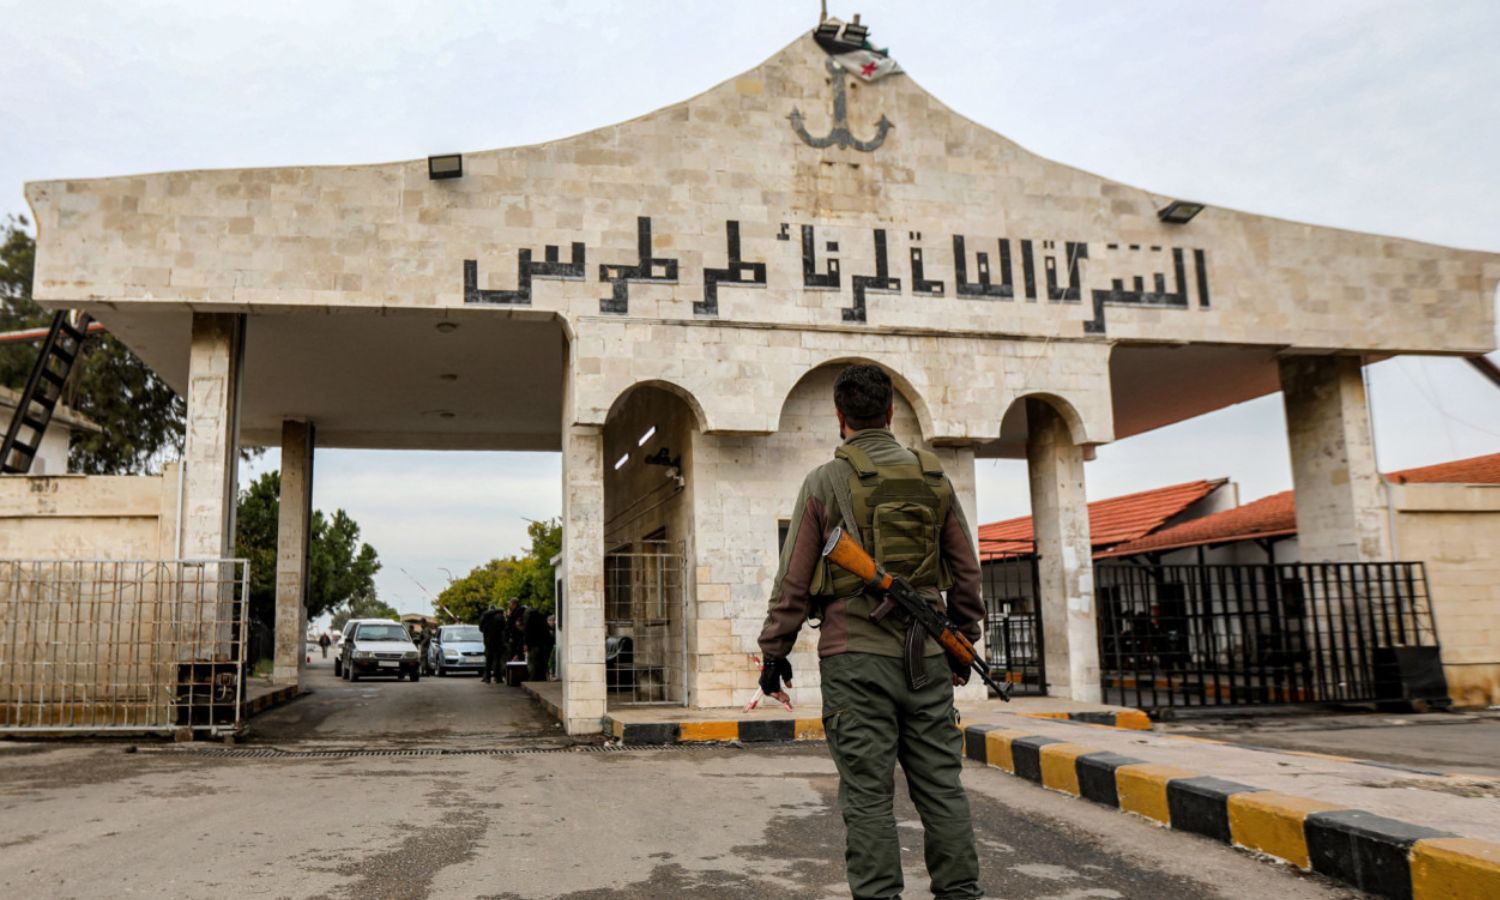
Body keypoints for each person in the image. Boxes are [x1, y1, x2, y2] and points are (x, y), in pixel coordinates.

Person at [756, 364, 986, 900]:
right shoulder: (934, 479)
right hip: (928, 657)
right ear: (889, 414)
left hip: (853, 659)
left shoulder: (824, 482)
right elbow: (967, 573)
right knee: (941, 788)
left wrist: (774, 652)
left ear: (840, 418)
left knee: (866, 796)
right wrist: (962, 640)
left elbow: (792, 578)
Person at [478, 604, 507, 684]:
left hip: (488, 640)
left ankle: (487, 678)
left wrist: (486, 632)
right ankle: (498, 678)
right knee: (497, 659)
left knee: (488, 659)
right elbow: (504, 627)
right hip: (498, 640)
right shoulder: (500, 616)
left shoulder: (485, 616)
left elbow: (480, 628)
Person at [525, 606, 555, 682]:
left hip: (534, 645)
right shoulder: (542, 620)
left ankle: (533, 678)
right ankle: (542, 677)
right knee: (542, 663)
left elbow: (527, 634)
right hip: (544, 645)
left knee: (534, 663)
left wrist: (527, 644)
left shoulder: (530, 621)